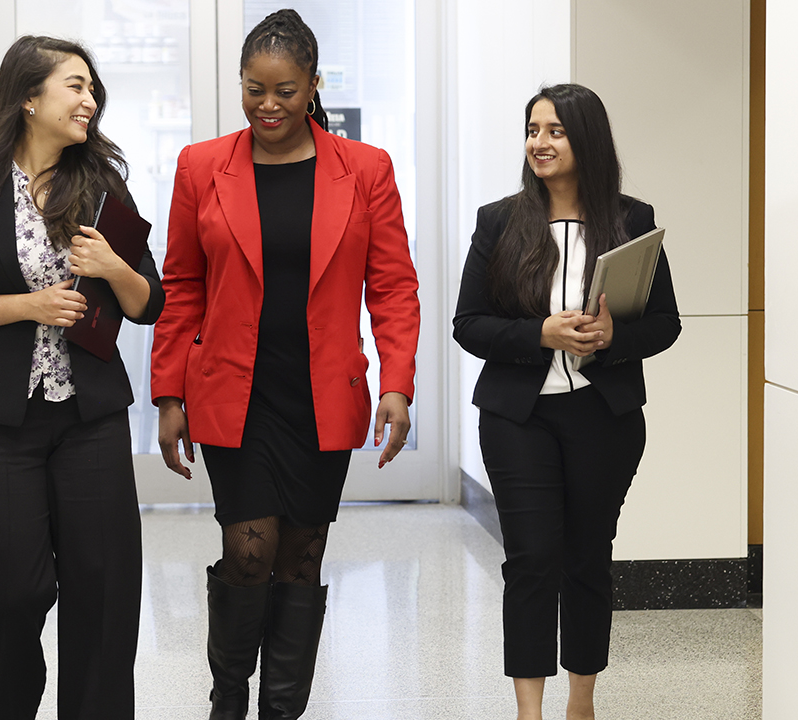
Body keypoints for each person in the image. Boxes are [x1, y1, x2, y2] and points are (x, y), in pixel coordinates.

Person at [150, 9, 420, 719]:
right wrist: (169, 394)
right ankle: (227, 703)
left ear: (313, 86)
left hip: (320, 397)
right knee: (248, 552)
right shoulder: (201, 167)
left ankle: (280, 712)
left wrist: (397, 383)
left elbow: (393, 285)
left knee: (300, 557)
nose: (268, 106)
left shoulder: (364, 170)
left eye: (285, 91)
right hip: (233, 395)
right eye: (254, 89)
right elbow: (182, 285)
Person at [0, 36, 164, 720]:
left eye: (92, 90)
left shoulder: (103, 186)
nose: (91, 100)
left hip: (89, 421)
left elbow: (150, 304)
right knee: (7, 589)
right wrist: (28, 307)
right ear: (29, 98)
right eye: (75, 86)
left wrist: (116, 267)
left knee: (104, 588)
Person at [452, 84, 680, 720]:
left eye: (554, 131)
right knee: (531, 561)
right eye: (532, 130)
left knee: (586, 559)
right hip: (517, 417)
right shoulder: (498, 221)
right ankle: (530, 713)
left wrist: (613, 337)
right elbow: (467, 323)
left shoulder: (632, 219)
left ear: (587, 141)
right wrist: (539, 334)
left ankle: (582, 706)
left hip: (602, 417)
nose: (539, 143)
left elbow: (666, 322)